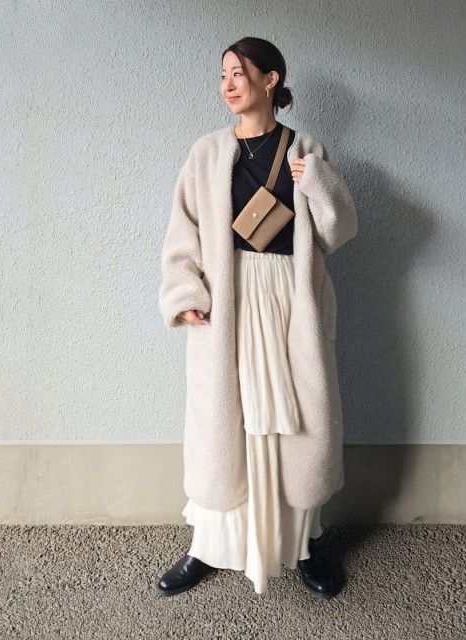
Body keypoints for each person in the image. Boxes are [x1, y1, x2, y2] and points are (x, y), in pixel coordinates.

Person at [157, 37, 358, 598]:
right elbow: (182, 231)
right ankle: (208, 545)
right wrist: (184, 292)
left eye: (238, 73)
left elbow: (339, 232)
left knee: (296, 419)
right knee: (226, 422)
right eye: (222, 74)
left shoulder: (306, 148)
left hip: (291, 301)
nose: (227, 84)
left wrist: (315, 181)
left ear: (271, 80)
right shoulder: (206, 153)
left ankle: (306, 544)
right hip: (228, 302)